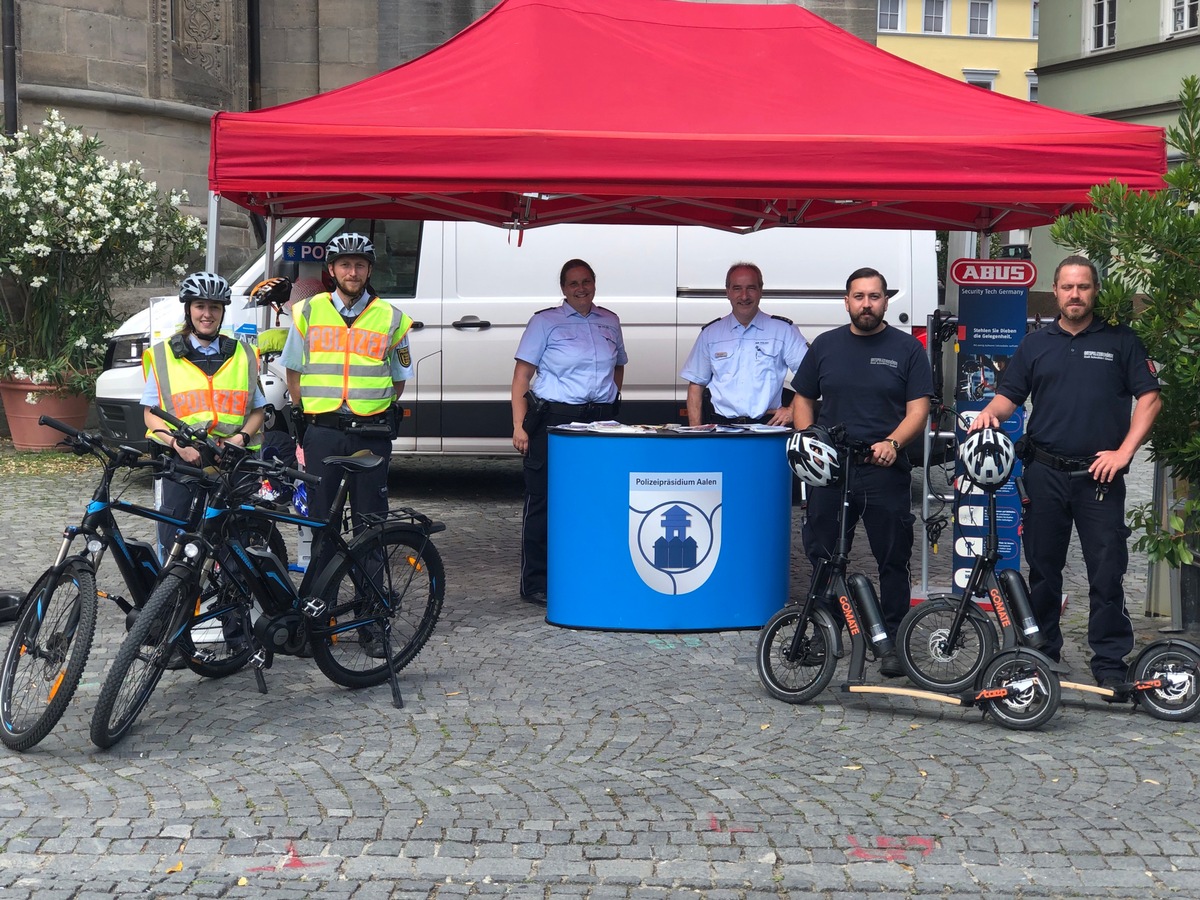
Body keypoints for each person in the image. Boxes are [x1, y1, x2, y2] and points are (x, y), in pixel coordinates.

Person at [969, 255, 1161, 692]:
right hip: (1045, 473)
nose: (1075, 295)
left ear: (1095, 291)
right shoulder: (1035, 345)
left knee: (1107, 571)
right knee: (1043, 569)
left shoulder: (1120, 341)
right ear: (1055, 291)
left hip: (1100, 479)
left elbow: (1149, 399)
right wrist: (987, 415)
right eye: (1068, 287)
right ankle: (1042, 653)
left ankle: (1110, 660)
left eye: (1084, 287)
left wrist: (1124, 452)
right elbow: (1008, 398)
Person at [790, 267, 933, 678]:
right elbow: (803, 397)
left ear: (886, 301)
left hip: (884, 471)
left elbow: (918, 410)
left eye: (874, 296)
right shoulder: (825, 346)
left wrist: (892, 443)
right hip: (833, 472)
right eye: (858, 296)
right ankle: (823, 631)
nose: (866, 304)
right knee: (823, 555)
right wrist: (808, 441)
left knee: (893, 558)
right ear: (846, 301)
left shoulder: (907, 349)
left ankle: (891, 639)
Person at [280, 232, 414, 553]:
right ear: (332, 269)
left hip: (371, 430)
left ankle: (373, 602)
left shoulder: (391, 318)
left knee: (371, 521)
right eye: (345, 265)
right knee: (322, 519)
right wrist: (303, 410)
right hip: (323, 430)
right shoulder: (309, 312)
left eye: (359, 265)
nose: (352, 272)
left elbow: (399, 378)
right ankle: (321, 600)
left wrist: (373, 403)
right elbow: (293, 371)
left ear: (369, 271)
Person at [511, 259, 627, 604]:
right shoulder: (545, 322)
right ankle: (536, 582)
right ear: (563, 288)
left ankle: (589, 570)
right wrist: (519, 426)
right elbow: (521, 378)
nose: (581, 288)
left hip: (600, 421)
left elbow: (618, 367)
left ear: (595, 284)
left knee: (597, 497)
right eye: (574, 283)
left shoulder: (610, 321)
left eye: (586, 282)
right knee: (544, 500)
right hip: (555, 420)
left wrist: (610, 399)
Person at [142, 271, 266, 558]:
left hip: (234, 461)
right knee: (178, 542)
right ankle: (178, 602)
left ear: (223, 312)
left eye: (214, 308)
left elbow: (258, 410)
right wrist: (176, 445)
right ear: (189, 310)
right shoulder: (164, 355)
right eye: (200, 306)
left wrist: (240, 438)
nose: (207, 314)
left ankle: (233, 601)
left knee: (236, 542)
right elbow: (150, 414)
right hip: (185, 462)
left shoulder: (244, 354)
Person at [680, 262, 809, 426]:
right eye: (737, 288)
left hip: (767, 428)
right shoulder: (710, 334)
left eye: (751, 288)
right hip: (722, 429)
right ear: (727, 292)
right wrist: (696, 433)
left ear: (761, 290)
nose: (744, 296)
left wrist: (792, 410)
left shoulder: (783, 331)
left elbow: (809, 375)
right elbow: (696, 386)